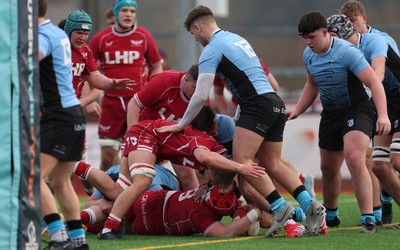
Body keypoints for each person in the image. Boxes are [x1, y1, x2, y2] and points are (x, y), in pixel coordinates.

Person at [156, 5, 325, 237]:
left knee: (242, 163)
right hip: (274, 102)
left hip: (255, 105)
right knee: (272, 162)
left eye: (193, 35)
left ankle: (279, 209)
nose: (195, 39)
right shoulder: (236, 39)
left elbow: (201, 93)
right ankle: (309, 205)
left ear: (197, 27)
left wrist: (181, 123)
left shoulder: (212, 48)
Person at [96, 106, 271, 239]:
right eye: (213, 129)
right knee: (142, 182)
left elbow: (216, 171)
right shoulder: (203, 142)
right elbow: (204, 158)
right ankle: (108, 228)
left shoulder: (212, 154)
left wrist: (209, 185)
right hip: (145, 134)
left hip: (150, 139)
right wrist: (241, 168)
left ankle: (93, 222)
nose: (216, 133)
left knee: (120, 190)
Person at [291, 11, 390, 233]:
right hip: (331, 113)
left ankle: (368, 219)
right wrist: (297, 109)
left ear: (325, 32)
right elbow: (312, 84)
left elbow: (375, 83)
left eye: (312, 37)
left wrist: (382, 115)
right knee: (327, 167)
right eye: (304, 38)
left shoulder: (347, 52)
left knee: (354, 157)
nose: (308, 42)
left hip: (357, 109)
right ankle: (332, 215)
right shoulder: (308, 54)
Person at [327, 14, 400, 227]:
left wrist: (370, 88)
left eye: (331, 36)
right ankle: (386, 206)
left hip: (396, 99)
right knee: (378, 166)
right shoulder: (345, 52)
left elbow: (378, 74)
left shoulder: (374, 40)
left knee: (396, 160)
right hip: (384, 103)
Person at [89, 0, 163, 172]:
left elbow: (156, 65)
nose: (129, 14)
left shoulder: (144, 36)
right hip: (111, 103)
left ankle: (137, 192)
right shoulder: (101, 39)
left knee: (140, 153)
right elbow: (86, 71)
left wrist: (154, 89)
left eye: (132, 11)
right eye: (124, 10)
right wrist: (90, 100)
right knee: (108, 156)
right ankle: (102, 188)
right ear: (116, 14)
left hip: (138, 103)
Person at [38, 0, 87, 249]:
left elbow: (29, 58)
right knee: (61, 181)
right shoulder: (56, 32)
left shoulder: (41, 35)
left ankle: (58, 238)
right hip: (73, 113)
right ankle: (78, 241)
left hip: (58, 115)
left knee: (32, 177)